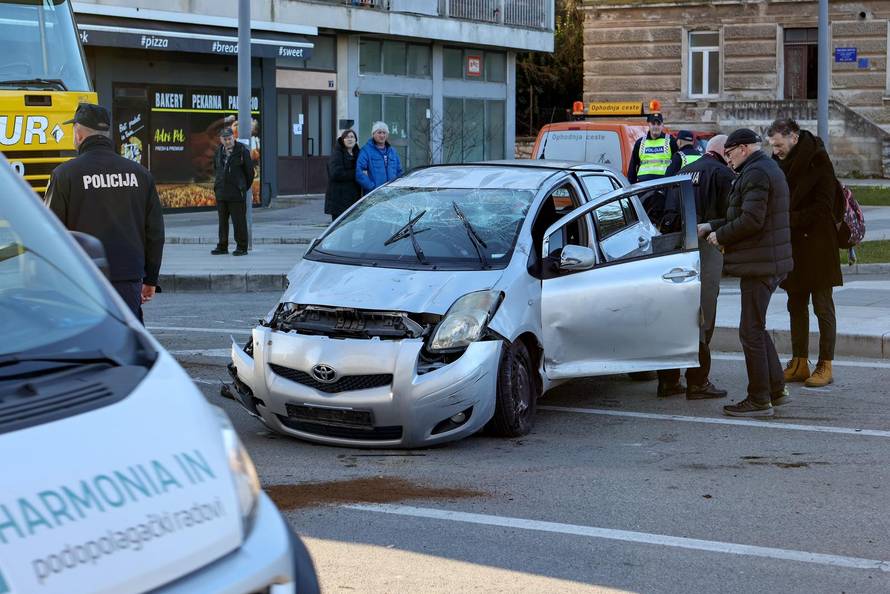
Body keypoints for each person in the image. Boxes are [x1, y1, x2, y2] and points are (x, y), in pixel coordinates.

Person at [699, 128, 793, 417]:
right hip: (766, 260)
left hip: (760, 263)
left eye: (729, 154)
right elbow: (742, 214)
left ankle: (758, 399)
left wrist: (720, 236)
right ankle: (775, 390)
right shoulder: (762, 168)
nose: (727, 160)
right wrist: (711, 226)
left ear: (742, 149)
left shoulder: (756, 173)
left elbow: (751, 220)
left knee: (750, 331)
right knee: (756, 327)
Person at [45, 103, 164, 322]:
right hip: (128, 276)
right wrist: (151, 279)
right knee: (127, 336)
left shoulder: (64, 175)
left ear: (78, 134)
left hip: (82, 277)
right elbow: (155, 232)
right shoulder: (140, 174)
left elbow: (51, 231)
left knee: (89, 336)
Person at [657, 135, 734, 400]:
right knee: (703, 316)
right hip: (706, 248)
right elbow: (731, 216)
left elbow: (666, 213)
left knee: (674, 314)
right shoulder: (723, 174)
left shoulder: (683, 171)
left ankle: (668, 380)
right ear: (724, 151)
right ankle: (698, 382)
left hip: (674, 248)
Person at [767, 118, 842, 388]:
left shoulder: (818, 160)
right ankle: (799, 362)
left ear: (794, 137)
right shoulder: (777, 163)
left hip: (819, 244)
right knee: (795, 305)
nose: (775, 150)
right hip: (794, 246)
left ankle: (825, 364)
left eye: (779, 145)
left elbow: (824, 207)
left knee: (822, 306)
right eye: (772, 145)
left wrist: (787, 219)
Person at [627, 113, 679, 223]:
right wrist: (630, 188)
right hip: (643, 188)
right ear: (648, 125)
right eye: (653, 123)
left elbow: (677, 164)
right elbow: (633, 167)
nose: (656, 126)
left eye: (658, 123)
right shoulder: (640, 143)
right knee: (643, 218)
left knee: (661, 219)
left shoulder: (670, 141)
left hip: (663, 188)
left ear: (662, 125)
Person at [211, 127, 255, 256]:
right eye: (225, 139)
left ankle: (242, 247)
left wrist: (242, 187)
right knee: (222, 222)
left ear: (233, 137)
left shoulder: (242, 151)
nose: (227, 141)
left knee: (239, 222)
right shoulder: (218, 151)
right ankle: (222, 246)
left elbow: (250, 173)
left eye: (229, 139)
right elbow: (216, 169)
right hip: (221, 193)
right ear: (221, 140)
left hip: (236, 194)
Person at [324, 129, 362, 220]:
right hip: (338, 198)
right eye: (347, 137)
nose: (350, 139)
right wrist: (357, 173)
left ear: (355, 140)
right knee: (339, 226)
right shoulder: (337, 154)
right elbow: (336, 173)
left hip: (353, 197)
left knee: (351, 225)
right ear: (342, 140)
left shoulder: (358, 153)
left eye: (352, 137)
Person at [356, 121, 403, 193]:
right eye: (379, 132)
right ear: (373, 134)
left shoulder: (392, 151)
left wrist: (396, 187)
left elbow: (399, 171)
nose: (382, 135)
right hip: (374, 194)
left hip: (392, 193)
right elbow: (359, 172)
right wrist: (372, 187)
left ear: (387, 135)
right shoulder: (366, 151)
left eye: (384, 133)